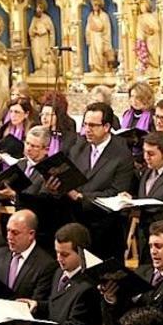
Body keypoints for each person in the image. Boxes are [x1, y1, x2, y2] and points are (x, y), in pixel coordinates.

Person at [20, 223, 101, 325]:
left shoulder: (88, 287)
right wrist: (36, 305)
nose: (59, 258)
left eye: (64, 254)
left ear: (81, 253)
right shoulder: (59, 273)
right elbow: (55, 306)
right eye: (57, 252)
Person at [52, 102, 135, 259]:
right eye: (85, 124)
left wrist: (81, 197)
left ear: (106, 127)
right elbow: (69, 179)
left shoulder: (122, 154)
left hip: (105, 230)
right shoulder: (78, 146)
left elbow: (117, 193)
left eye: (93, 125)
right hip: (75, 226)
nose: (87, 130)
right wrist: (56, 186)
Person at [85, 0, 113, 74]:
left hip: (100, 37)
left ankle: (101, 69)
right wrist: (88, 37)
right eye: (94, 4)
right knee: (93, 55)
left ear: (100, 5)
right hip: (92, 37)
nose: (95, 6)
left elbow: (105, 28)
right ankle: (94, 69)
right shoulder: (90, 16)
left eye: (97, 4)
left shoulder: (104, 16)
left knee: (99, 52)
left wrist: (106, 43)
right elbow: (88, 28)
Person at [28, 0, 56, 75]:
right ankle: (38, 70)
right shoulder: (34, 19)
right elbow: (30, 31)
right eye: (37, 7)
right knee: (37, 55)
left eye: (40, 8)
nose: (38, 9)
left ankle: (45, 71)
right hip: (36, 41)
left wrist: (51, 46)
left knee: (45, 57)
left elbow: (52, 33)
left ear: (43, 9)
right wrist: (34, 32)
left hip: (44, 42)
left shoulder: (47, 19)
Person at [135, 0, 160, 74]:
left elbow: (156, 28)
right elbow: (138, 30)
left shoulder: (151, 16)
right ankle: (146, 68)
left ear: (147, 6)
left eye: (144, 6)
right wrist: (141, 39)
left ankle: (154, 67)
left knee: (152, 52)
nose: (142, 8)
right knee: (144, 54)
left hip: (151, 39)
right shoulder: (139, 17)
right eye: (141, 6)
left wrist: (150, 30)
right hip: (143, 39)